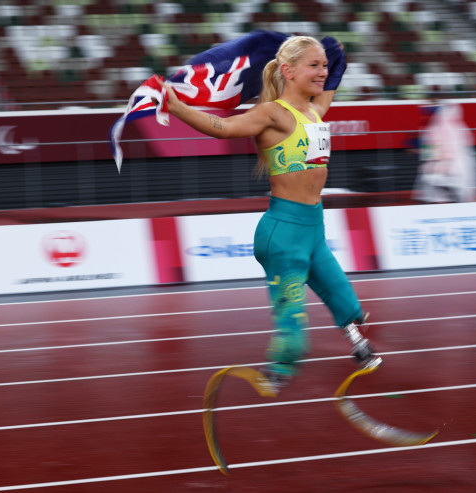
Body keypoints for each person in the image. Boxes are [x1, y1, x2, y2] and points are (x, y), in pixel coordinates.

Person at [154, 35, 375, 387]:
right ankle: (278, 371)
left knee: (340, 293)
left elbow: (329, 87)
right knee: (292, 321)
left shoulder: (313, 112)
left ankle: (357, 342)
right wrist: (177, 108)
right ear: (288, 71)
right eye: (314, 65)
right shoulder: (273, 113)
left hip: (313, 228)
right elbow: (224, 128)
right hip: (283, 234)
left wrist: (338, 61)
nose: (322, 72)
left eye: (324, 65)